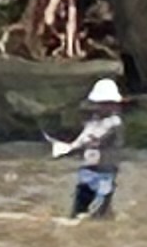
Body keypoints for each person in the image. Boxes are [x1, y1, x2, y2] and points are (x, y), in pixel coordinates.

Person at [52, 75, 124, 220]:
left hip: (106, 174)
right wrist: (69, 148)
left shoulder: (114, 122)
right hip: (87, 172)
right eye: (100, 103)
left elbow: (96, 136)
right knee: (79, 211)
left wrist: (71, 147)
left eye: (107, 103)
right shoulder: (92, 121)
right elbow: (84, 139)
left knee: (100, 212)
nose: (103, 107)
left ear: (115, 104)